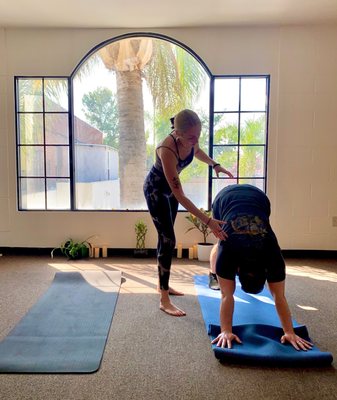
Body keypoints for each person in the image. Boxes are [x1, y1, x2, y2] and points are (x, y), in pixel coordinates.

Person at [144, 109, 233, 317]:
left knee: (165, 237)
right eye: (191, 137)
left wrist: (215, 164)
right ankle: (164, 299)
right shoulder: (166, 149)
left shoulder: (192, 139)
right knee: (168, 240)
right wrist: (208, 221)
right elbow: (181, 195)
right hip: (156, 191)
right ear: (178, 133)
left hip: (170, 192)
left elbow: (197, 151)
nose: (195, 140)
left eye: (198, 136)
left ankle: (161, 285)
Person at [210, 184, 313, 351]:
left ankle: (216, 274)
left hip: (258, 198)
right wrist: (289, 332)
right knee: (221, 238)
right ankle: (213, 273)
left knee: (223, 242)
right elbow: (279, 297)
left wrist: (226, 331)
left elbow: (226, 296)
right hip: (227, 199)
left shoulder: (272, 255)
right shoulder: (271, 256)